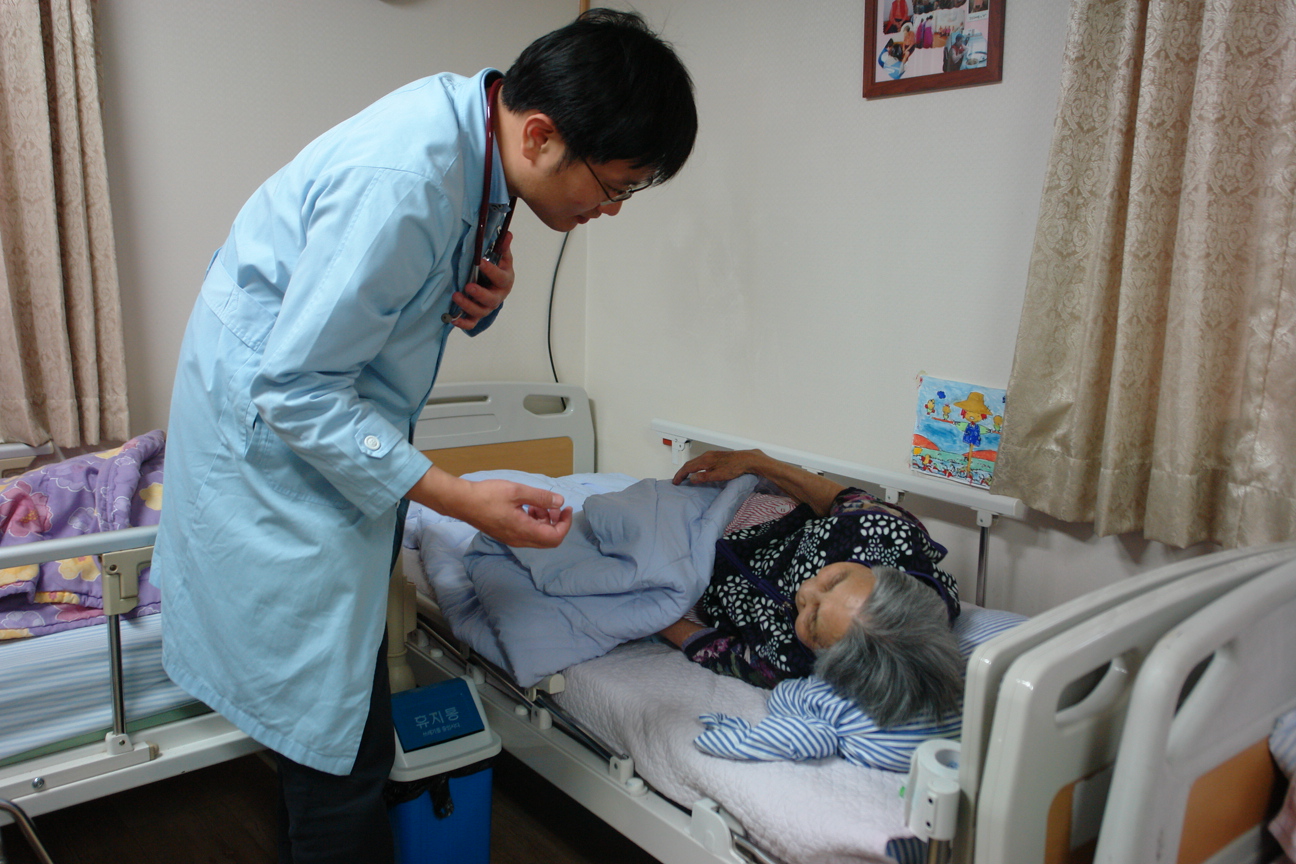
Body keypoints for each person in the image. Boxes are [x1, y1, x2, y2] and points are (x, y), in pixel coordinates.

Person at [152, 10, 696, 864]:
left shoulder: (480, 136)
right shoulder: (408, 180)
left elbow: (397, 300)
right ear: (543, 135)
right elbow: (295, 388)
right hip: (277, 451)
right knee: (337, 752)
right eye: (614, 186)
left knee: (335, 731)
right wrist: (462, 498)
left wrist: (484, 299)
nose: (612, 210)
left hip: (317, 435)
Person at [659, 449, 964, 729]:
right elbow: (836, 499)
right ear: (885, 571)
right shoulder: (884, 531)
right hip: (745, 512)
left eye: (813, 619)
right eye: (835, 580)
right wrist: (754, 462)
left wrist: (656, 611)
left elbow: (719, 651)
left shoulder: (792, 663)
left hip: (694, 577)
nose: (805, 592)